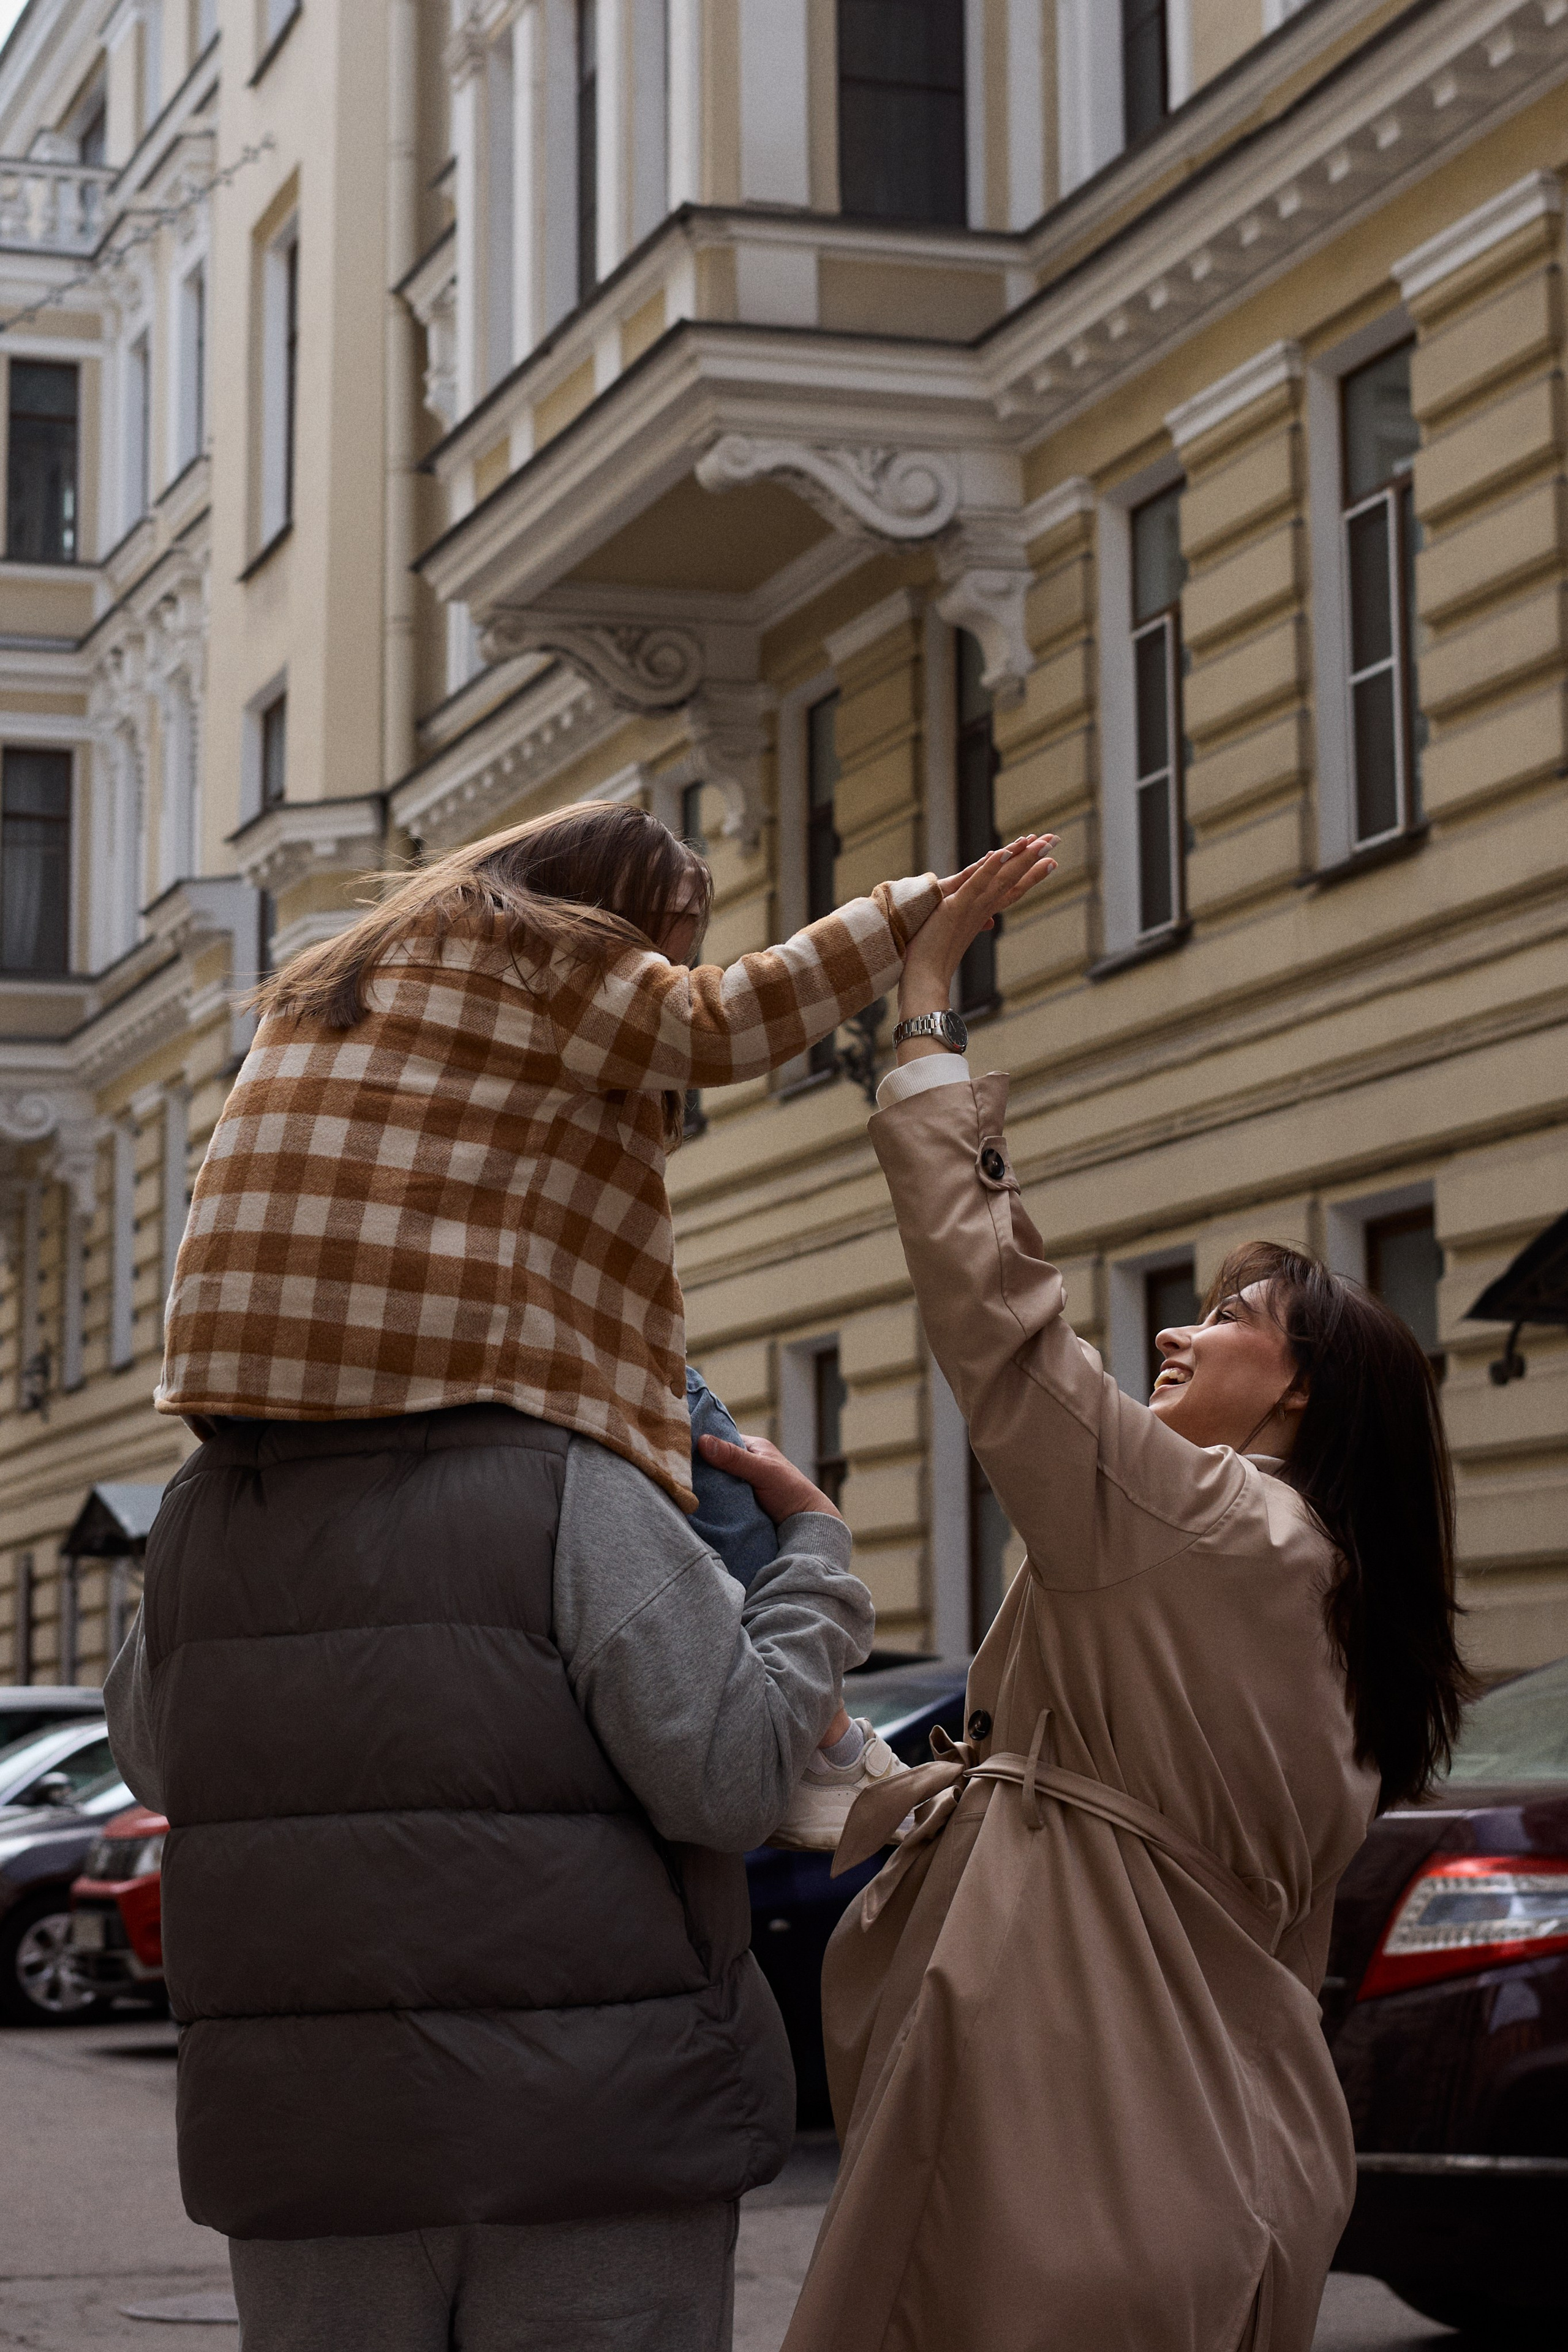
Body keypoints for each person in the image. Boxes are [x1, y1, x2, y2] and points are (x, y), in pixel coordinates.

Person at [761, 839, 1474, 2352]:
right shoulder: (1329, 1593)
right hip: (1215, 2157)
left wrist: (926, 1022)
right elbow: (1098, 1819)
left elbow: (1002, 1326)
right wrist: (852, 1760)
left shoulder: (1207, 1523)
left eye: (1225, 1318)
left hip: (1073, 2154)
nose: (1177, 1336)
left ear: (1297, 1393)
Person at [159, 801, 930, 1845]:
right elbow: (720, 1021)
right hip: (428, 1340)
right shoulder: (536, 944)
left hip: (248, 1370)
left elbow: (151, 1755)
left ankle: (821, 1736)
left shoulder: (351, 978)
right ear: (606, 901)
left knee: (665, 1411)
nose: (672, 958)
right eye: (671, 929)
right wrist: (908, 914)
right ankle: (824, 1737)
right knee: (688, 1433)